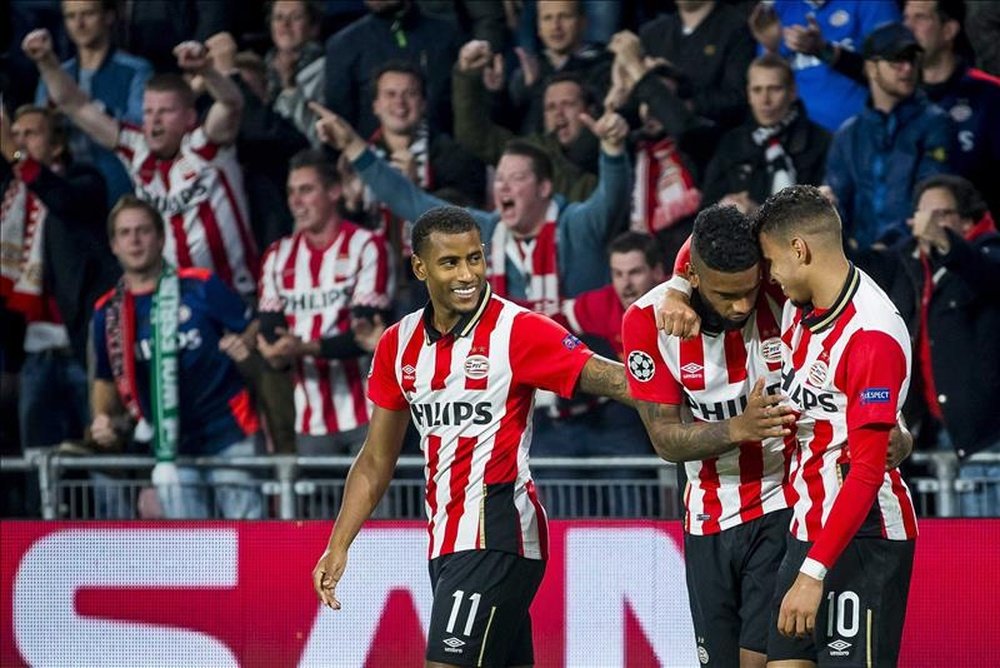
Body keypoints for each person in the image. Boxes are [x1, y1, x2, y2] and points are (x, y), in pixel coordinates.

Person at [311, 206, 637, 666]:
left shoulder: (517, 329)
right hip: (444, 538)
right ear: (420, 267)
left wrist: (693, 398)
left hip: (499, 531)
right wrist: (338, 544)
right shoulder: (397, 343)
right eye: (450, 263)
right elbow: (375, 459)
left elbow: (615, 380)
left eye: (475, 259)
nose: (468, 274)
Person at [623, 205, 797, 668]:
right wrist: (738, 429)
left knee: (762, 661)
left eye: (748, 290)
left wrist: (682, 279)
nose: (742, 305)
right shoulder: (647, 321)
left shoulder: (783, 294)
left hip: (785, 504)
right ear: (696, 278)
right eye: (726, 295)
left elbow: (738, 214)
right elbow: (664, 439)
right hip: (707, 517)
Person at [753, 185, 917, 666]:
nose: (771, 275)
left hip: (862, 537)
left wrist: (813, 574)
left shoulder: (870, 334)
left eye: (772, 261)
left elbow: (867, 472)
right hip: (808, 525)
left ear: (798, 250)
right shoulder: (800, 306)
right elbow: (705, 246)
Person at [309, 99, 631, 309]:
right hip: (517, 394)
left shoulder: (576, 224)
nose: (503, 185)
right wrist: (353, 146)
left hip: (589, 392)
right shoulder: (486, 231)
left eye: (516, 178)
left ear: (545, 187)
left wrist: (612, 149)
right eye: (500, 178)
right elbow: (411, 202)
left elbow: (612, 198)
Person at [23, 28, 259, 299]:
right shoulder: (136, 149)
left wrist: (207, 71)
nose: (154, 120)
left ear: (190, 117)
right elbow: (74, 105)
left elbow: (231, 104)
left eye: (166, 111)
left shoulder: (207, 146)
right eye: (148, 112)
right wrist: (47, 61)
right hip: (171, 300)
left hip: (233, 293)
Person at [90, 196, 263, 519]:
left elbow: (252, 324)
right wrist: (102, 417)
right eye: (125, 233)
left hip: (229, 433)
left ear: (160, 238)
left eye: (143, 230)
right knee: (192, 548)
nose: (135, 240)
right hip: (171, 445)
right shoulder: (108, 314)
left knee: (250, 537)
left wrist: (245, 341)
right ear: (113, 244)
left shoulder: (200, 285)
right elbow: (104, 379)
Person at [859, 174, 1000, 517]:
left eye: (941, 215)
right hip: (933, 428)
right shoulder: (913, 262)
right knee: (951, 556)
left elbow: (986, 274)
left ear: (966, 220)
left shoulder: (988, 251)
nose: (928, 224)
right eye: (923, 214)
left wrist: (946, 243)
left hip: (986, 435)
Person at [257, 149, 394, 455]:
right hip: (311, 421)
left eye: (306, 190)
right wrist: (274, 353)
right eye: (291, 192)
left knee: (380, 504)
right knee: (325, 503)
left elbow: (364, 335)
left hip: (369, 413)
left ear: (334, 192)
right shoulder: (277, 257)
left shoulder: (366, 246)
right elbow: (270, 333)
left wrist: (301, 348)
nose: (296, 201)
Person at [824, 22, 953, 253]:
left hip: (915, 255)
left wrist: (890, 245)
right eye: (897, 60)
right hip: (859, 261)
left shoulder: (936, 123)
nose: (907, 68)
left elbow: (931, 194)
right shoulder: (848, 134)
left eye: (912, 60)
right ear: (872, 68)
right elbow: (837, 203)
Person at [34, 0, 153, 206]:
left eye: (87, 14)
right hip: (66, 192)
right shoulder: (53, 76)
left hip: (120, 187)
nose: (79, 24)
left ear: (108, 16)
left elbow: (141, 128)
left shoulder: (136, 70)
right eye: (71, 17)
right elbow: (37, 129)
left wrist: (90, 111)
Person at [453, 40, 603, 202]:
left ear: (589, 110)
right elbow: (473, 134)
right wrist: (467, 76)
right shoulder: (531, 150)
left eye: (568, 104)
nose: (558, 113)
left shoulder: (608, 152)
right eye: (550, 107)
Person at [904, 0, 1000, 220]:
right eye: (906, 18)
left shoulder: (990, 94)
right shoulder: (898, 97)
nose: (907, 28)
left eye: (920, 18)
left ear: (948, 30)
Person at [701, 54, 830, 214]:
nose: (765, 100)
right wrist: (724, 208)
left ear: (792, 92)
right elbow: (706, 208)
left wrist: (757, 213)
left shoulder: (821, 141)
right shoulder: (732, 143)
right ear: (748, 94)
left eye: (774, 89)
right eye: (757, 90)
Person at [749, 0, 900, 132]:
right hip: (798, 144)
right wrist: (771, 48)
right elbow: (766, 88)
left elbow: (892, 77)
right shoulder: (779, 8)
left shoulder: (874, 3)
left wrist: (823, 51)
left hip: (861, 139)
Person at [323, 0, 461, 138]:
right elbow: (340, 121)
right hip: (372, 155)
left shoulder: (448, 35)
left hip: (445, 153)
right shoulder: (344, 45)